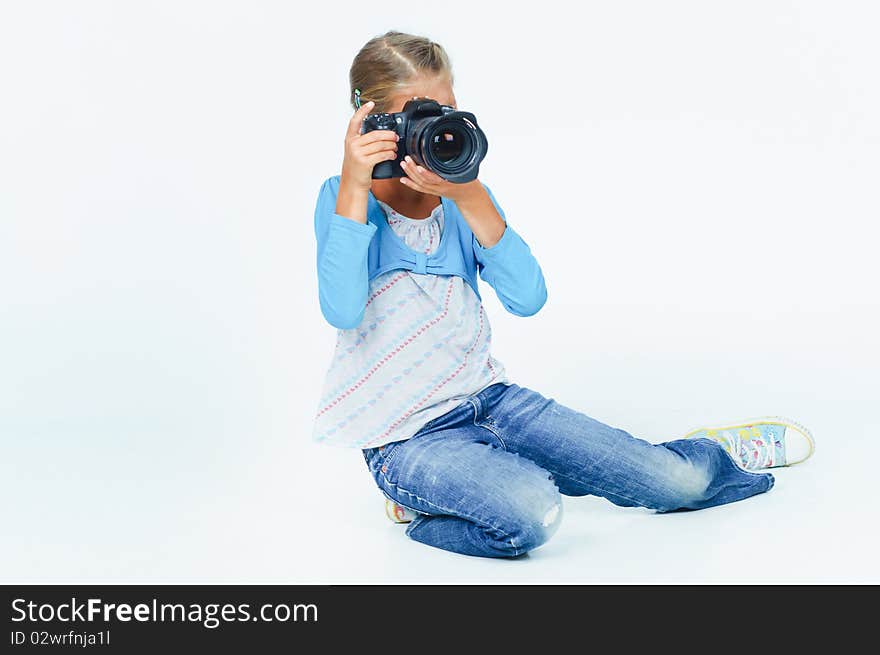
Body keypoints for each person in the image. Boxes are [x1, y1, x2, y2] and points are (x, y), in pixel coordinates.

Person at [311, 30, 815, 559]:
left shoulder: (461, 197)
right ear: (371, 121)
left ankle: (708, 455)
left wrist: (470, 194)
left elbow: (528, 298)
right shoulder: (344, 200)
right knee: (534, 513)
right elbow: (342, 309)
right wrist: (354, 183)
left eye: (447, 110)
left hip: (492, 402)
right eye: (417, 114)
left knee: (678, 483)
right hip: (408, 439)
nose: (436, 129)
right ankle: (434, 502)